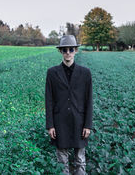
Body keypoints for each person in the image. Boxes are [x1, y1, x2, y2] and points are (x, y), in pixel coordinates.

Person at [45, 35, 93, 175]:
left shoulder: (85, 73)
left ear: (76, 51)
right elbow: (49, 100)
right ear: (60, 51)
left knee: (80, 161)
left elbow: (88, 100)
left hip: (79, 121)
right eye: (64, 50)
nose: (68, 53)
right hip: (60, 122)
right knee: (62, 161)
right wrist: (50, 125)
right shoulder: (52, 73)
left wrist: (88, 125)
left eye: (71, 49)